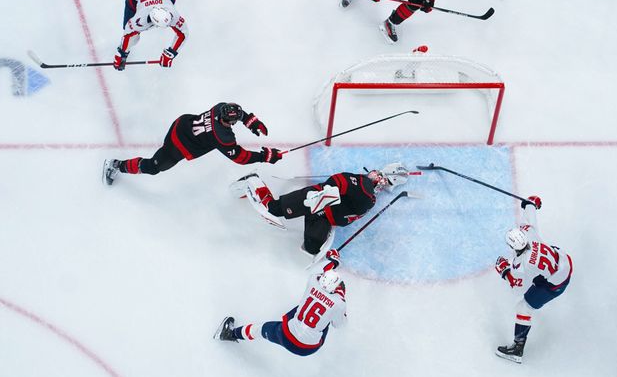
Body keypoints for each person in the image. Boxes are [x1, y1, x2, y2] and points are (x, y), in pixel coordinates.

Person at [238, 163, 409, 255]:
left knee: (312, 248)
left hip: (323, 215)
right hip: (313, 199)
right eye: (386, 182)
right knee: (273, 209)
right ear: (381, 177)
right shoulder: (364, 188)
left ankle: (310, 216)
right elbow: (337, 180)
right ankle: (253, 181)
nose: (384, 186)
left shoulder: (368, 195)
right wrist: (322, 195)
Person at [102, 102, 281, 185]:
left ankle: (122, 164)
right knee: (153, 167)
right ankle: (117, 165)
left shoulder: (220, 107)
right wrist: (265, 156)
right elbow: (240, 157)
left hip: (182, 124)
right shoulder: (222, 137)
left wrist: (250, 121)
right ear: (228, 122)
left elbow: (239, 114)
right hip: (179, 145)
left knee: (159, 158)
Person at [215, 249, 347, 356]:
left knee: (261, 329)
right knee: (329, 316)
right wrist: (341, 297)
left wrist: (333, 261)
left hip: (286, 335)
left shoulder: (313, 281)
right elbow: (340, 325)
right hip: (309, 348)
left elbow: (323, 271)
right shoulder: (339, 303)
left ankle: (231, 334)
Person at [494, 196, 573, 364]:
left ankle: (517, 348)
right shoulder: (529, 233)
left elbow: (516, 287)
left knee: (524, 306)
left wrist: (504, 271)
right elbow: (530, 219)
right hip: (564, 262)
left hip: (557, 282)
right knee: (538, 281)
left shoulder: (520, 265)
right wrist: (530, 204)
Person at [114, 0, 189, 70]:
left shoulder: (173, 15)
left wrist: (171, 53)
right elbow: (127, 34)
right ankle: (128, 47)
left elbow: (183, 33)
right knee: (133, 37)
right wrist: (122, 54)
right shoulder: (139, 20)